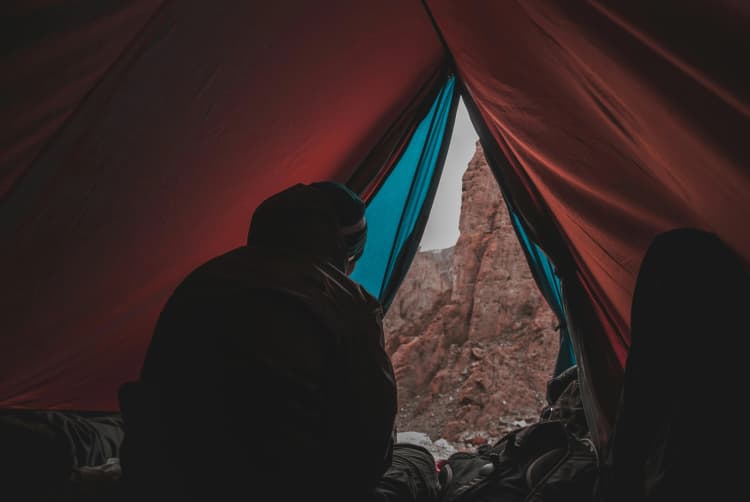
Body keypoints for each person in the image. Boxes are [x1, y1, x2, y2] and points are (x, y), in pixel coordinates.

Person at [118, 181, 439, 502]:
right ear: (344, 251)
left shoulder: (202, 279)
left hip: (159, 481)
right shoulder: (349, 303)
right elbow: (370, 453)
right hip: (282, 488)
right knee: (413, 459)